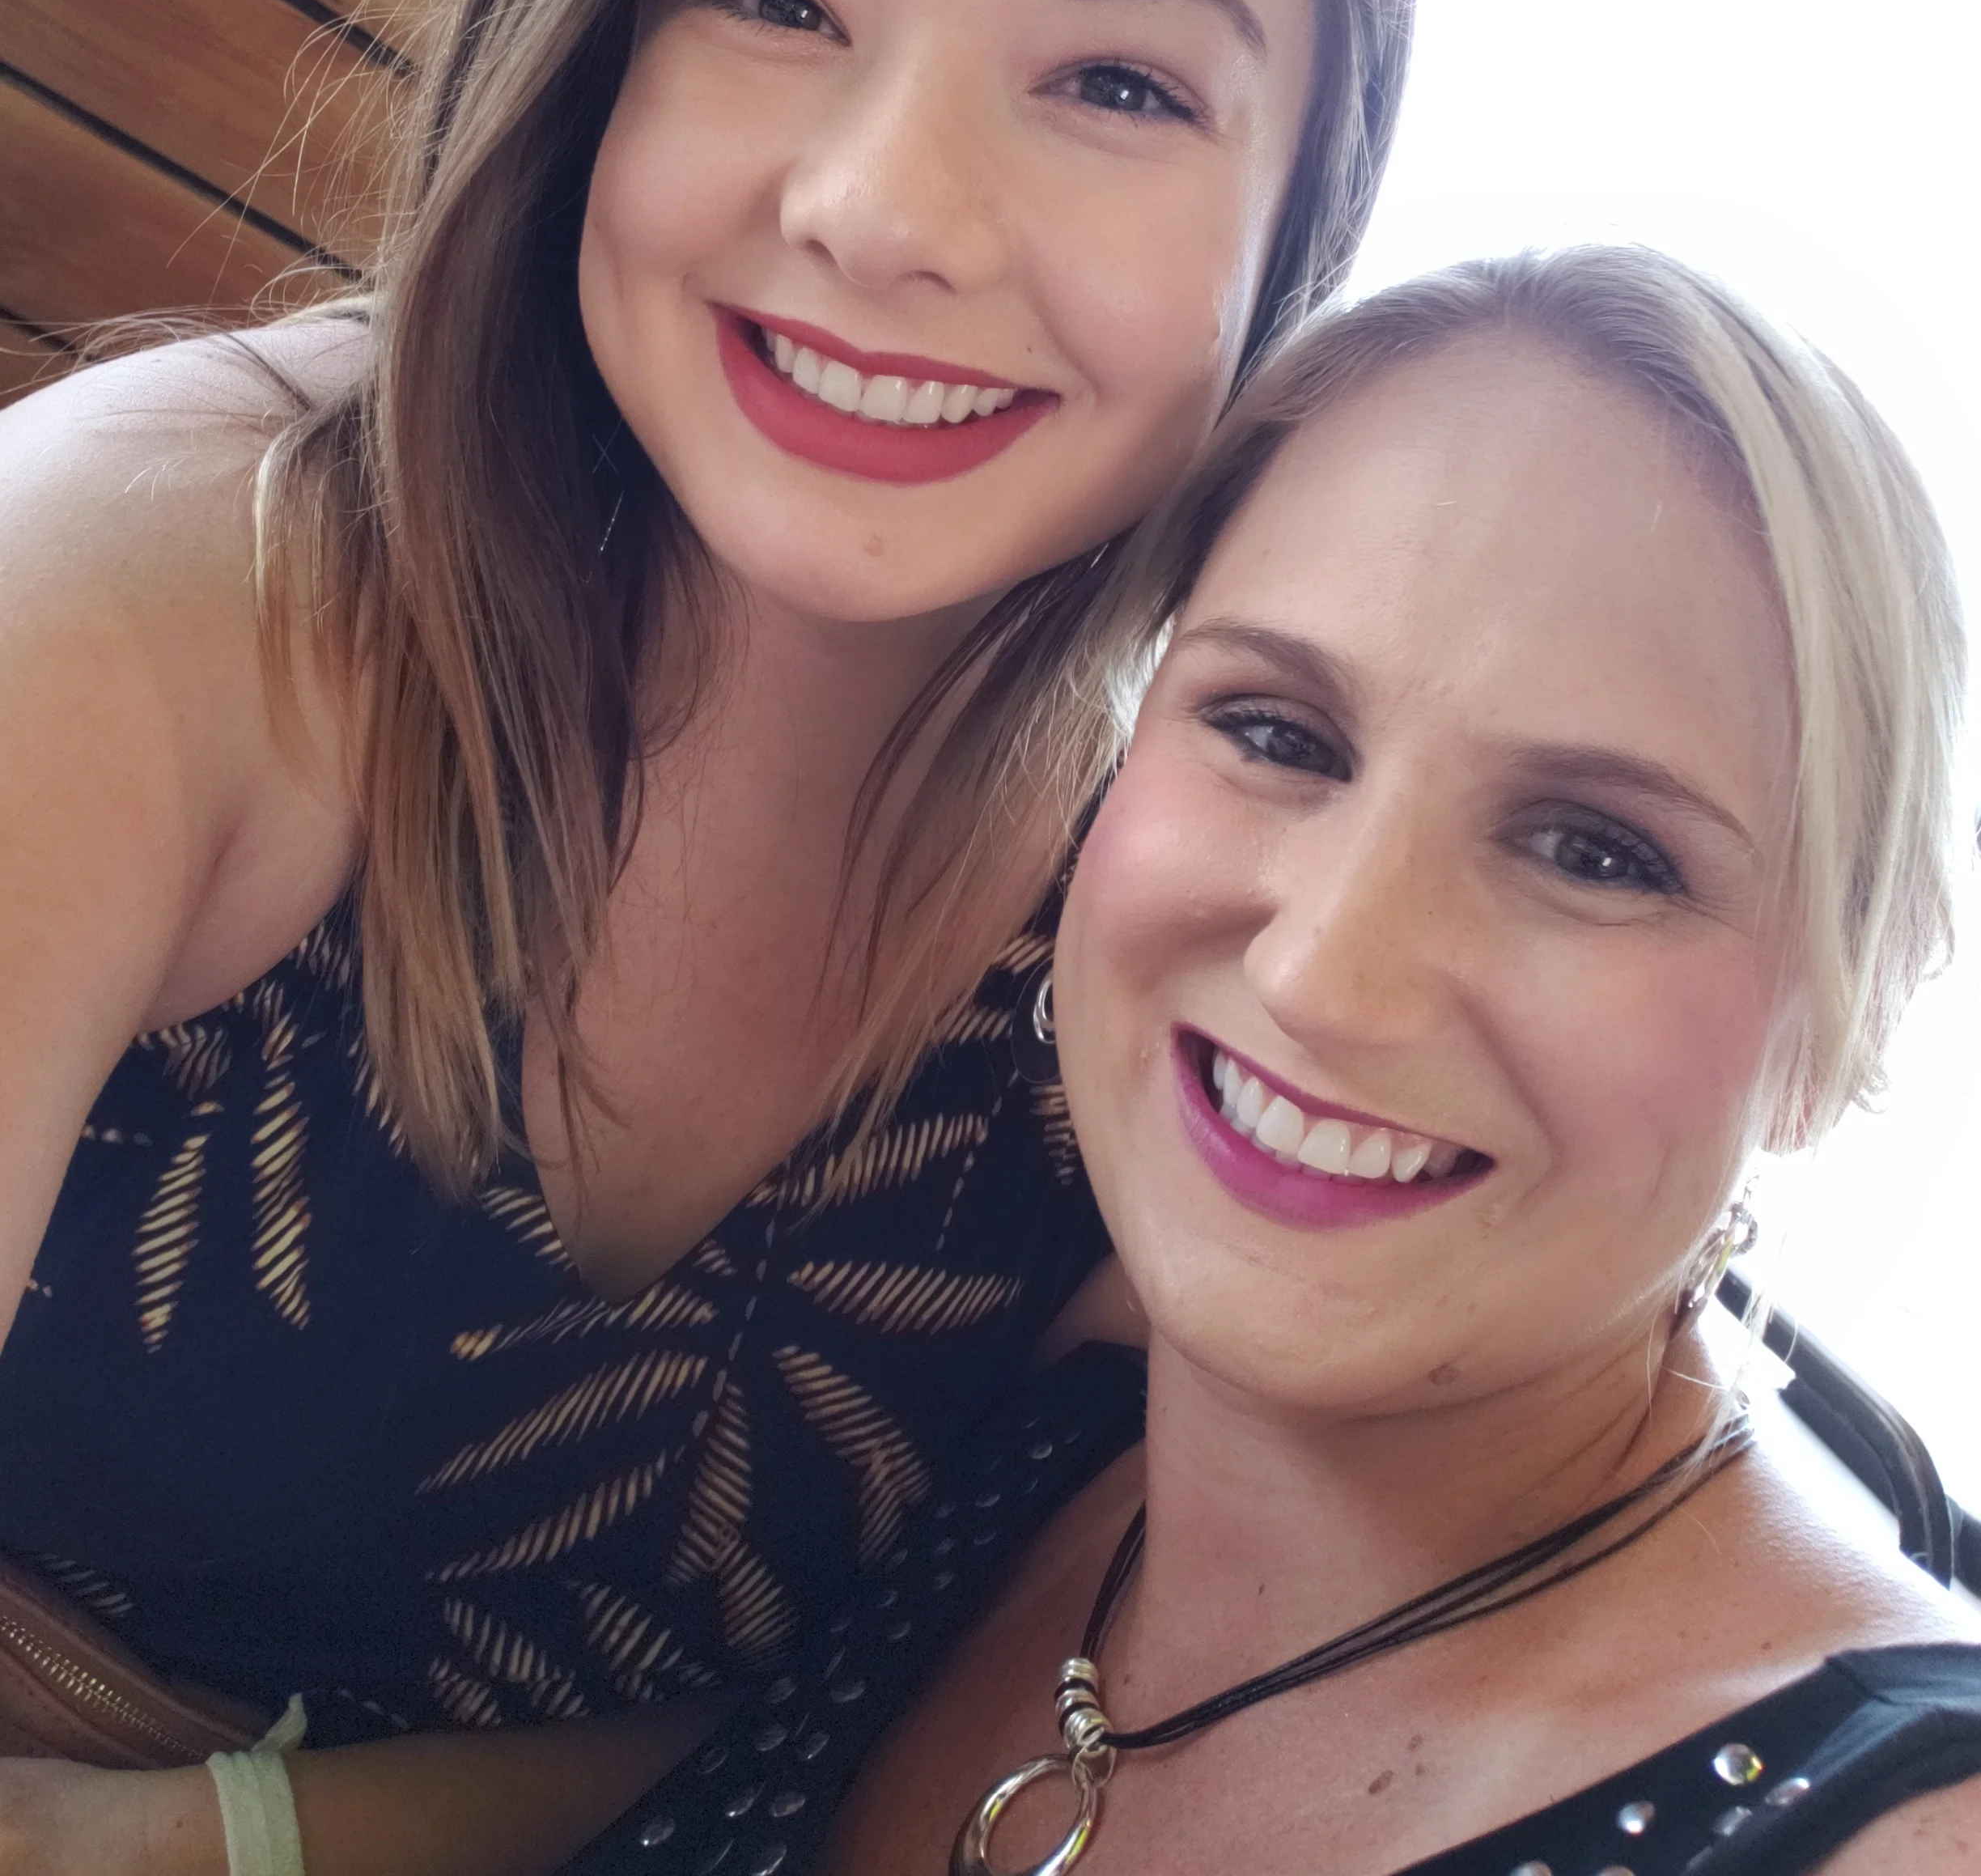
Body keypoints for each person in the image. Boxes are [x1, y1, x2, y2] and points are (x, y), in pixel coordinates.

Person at [0, 0, 1412, 1876]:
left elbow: (936, 1708)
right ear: (599, 33)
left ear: (1303, 219)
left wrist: (195, 1846)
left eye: (1117, 84)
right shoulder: (177, 568)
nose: (885, 211)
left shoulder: (1180, 949)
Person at [595, 244, 1981, 1876]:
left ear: (1837, 1026)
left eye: (1596, 851)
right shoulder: (1024, 1421)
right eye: (1274, 732)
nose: (1326, 975)